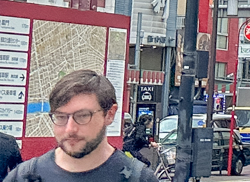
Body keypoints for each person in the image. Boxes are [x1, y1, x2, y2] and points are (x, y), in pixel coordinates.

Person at [2, 69, 158, 182]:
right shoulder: (24, 176)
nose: (70, 128)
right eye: (61, 117)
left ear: (110, 114)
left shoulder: (139, 178)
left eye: (83, 116)